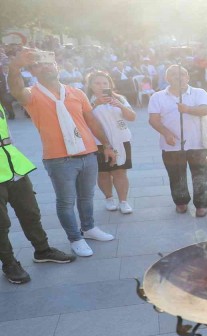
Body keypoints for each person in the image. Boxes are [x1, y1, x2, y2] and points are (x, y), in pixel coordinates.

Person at [8, 48, 116, 258]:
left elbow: (91, 120)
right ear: (33, 71)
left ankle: (89, 228)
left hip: (88, 153)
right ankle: (75, 238)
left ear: (57, 67)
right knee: (66, 201)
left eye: (50, 63)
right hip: (58, 158)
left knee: (86, 196)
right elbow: (15, 89)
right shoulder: (32, 94)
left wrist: (107, 145)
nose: (47, 66)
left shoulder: (76, 92)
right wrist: (15, 66)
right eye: (40, 64)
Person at [0, 104, 76, 284]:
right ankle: (9, 263)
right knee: (1, 225)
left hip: (15, 167)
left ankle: (42, 250)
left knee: (31, 213)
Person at [148, 65, 207, 217]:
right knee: (176, 176)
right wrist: (166, 133)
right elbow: (153, 120)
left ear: (188, 77)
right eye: (174, 75)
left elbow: (205, 110)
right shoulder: (157, 96)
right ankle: (181, 202)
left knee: (201, 176)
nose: (179, 77)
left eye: (182, 74)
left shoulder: (199, 93)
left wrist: (188, 109)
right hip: (172, 145)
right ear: (167, 78)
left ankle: (202, 205)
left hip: (198, 143)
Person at [86, 71, 136, 214]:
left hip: (121, 139)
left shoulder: (119, 98)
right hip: (98, 142)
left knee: (120, 172)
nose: (101, 86)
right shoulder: (87, 100)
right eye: (97, 83)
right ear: (90, 85)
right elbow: (82, 117)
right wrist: (95, 103)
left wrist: (120, 105)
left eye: (105, 83)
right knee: (103, 173)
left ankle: (123, 201)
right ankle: (109, 198)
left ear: (110, 85)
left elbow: (132, 117)